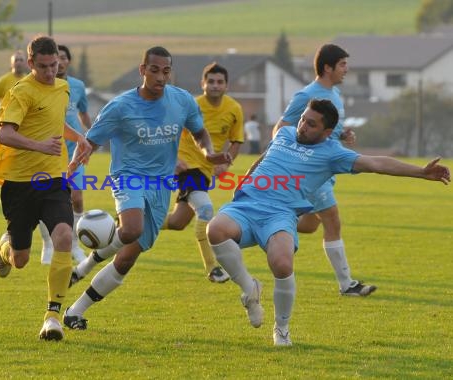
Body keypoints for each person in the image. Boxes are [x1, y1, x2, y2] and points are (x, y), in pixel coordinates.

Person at [208, 98, 450, 346]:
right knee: (215, 229)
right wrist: (247, 178)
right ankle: (250, 289)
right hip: (247, 203)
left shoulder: (332, 153)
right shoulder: (286, 133)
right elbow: (265, 157)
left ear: (327, 132)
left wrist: (421, 172)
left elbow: (376, 163)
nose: (302, 126)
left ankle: (281, 329)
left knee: (281, 263)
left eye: (311, 124)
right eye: (303, 119)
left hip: (280, 213)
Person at [61, 46, 232, 330]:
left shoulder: (181, 101)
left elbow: (199, 130)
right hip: (128, 177)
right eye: (154, 70)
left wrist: (208, 153)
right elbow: (91, 141)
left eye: (166, 71)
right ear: (142, 70)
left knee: (127, 258)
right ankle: (87, 262)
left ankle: (75, 310)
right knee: (130, 229)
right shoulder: (120, 107)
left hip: (161, 184)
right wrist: (74, 165)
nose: (160, 77)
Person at [0, 35, 91, 341]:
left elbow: (54, 121)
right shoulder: (20, 93)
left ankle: (52, 317)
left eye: (54, 65)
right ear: (31, 63)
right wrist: (38, 146)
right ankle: (4, 249)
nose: (50, 72)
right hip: (20, 184)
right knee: (21, 259)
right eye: (43, 66)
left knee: (63, 235)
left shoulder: (63, 87)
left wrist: (79, 138)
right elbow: (6, 134)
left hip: (53, 179)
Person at [272, 44, 373, 297]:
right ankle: (347, 284)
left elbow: (327, 129)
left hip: (324, 171)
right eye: (342, 64)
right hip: (311, 172)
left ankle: (267, 221)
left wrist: (343, 133)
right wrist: (293, 159)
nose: (346, 69)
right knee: (332, 221)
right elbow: (280, 129)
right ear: (327, 67)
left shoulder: (335, 93)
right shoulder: (306, 95)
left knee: (308, 225)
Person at [163, 62, 244, 283]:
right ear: (203, 84)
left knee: (178, 222)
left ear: (227, 85)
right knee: (206, 210)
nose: (215, 86)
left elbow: (236, 141)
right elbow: (166, 131)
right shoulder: (191, 105)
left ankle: (132, 224)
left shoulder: (234, 109)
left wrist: (226, 164)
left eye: (220, 82)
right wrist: (173, 159)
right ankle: (213, 268)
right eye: (211, 81)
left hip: (206, 171)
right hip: (187, 166)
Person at [39, 44, 92, 265]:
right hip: (51, 151)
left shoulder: (77, 86)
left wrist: (90, 135)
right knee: (47, 200)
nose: (59, 62)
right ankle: (48, 244)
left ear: (68, 61)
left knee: (77, 197)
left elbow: (83, 113)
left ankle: (74, 245)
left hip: (74, 151)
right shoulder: (46, 87)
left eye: (62, 58)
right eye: (56, 59)